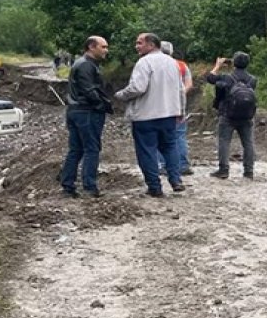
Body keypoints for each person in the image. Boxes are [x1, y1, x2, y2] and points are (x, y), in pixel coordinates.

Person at [114, 33, 185, 197]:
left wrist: (121, 95)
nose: (136, 46)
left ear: (151, 44)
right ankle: (176, 180)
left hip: (146, 115)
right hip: (169, 114)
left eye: (139, 43)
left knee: (147, 151)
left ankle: (154, 187)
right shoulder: (173, 63)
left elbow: (138, 87)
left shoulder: (144, 62)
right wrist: (181, 110)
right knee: (169, 147)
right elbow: (181, 89)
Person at [59, 36, 111, 198]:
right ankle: (89, 186)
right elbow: (89, 90)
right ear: (91, 47)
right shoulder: (87, 66)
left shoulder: (81, 63)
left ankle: (68, 184)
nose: (106, 50)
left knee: (76, 149)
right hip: (86, 112)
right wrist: (101, 105)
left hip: (75, 110)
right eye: (103, 47)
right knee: (92, 149)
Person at [206, 51, 258, 180]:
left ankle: (223, 170)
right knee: (248, 143)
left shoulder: (226, 78)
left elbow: (210, 78)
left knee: (224, 141)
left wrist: (217, 66)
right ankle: (248, 171)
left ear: (233, 63)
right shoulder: (253, 80)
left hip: (227, 115)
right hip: (246, 116)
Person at [160, 41, 194, 176]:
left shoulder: (156, 65)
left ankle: (164, 165)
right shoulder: (182, 65)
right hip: (179, 105)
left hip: (161, 105)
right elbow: (189, 84)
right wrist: (180, 94)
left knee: (161, 136)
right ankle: (184, 164)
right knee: (179, 134)